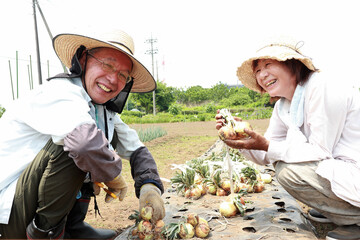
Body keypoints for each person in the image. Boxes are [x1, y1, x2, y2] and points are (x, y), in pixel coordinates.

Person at [0, 29, 165, 239]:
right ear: (84, 58)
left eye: (123, 75)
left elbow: (135, 148)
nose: (113, 79)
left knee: (95, 144)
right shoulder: (60, 93)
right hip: (9, 211)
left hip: (34, 207)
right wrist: (112, 175)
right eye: (107, 64)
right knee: (79, 144)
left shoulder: (103, 111)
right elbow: (84, 144)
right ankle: (43, 234)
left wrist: (149, 187)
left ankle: (72, 226)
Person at [216, 37, 360, 240]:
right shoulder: (284, 106)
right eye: (257, 71)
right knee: (286, 167)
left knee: (288, 171)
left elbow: (319, 151)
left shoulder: (321, 86)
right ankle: (339, 210)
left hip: (354, 167)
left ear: (293, 65)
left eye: (268, 65)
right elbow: (267, 152)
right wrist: (241, 140)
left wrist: (266, 145)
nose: (262, 74)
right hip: (342, 171)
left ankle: (355, 218)